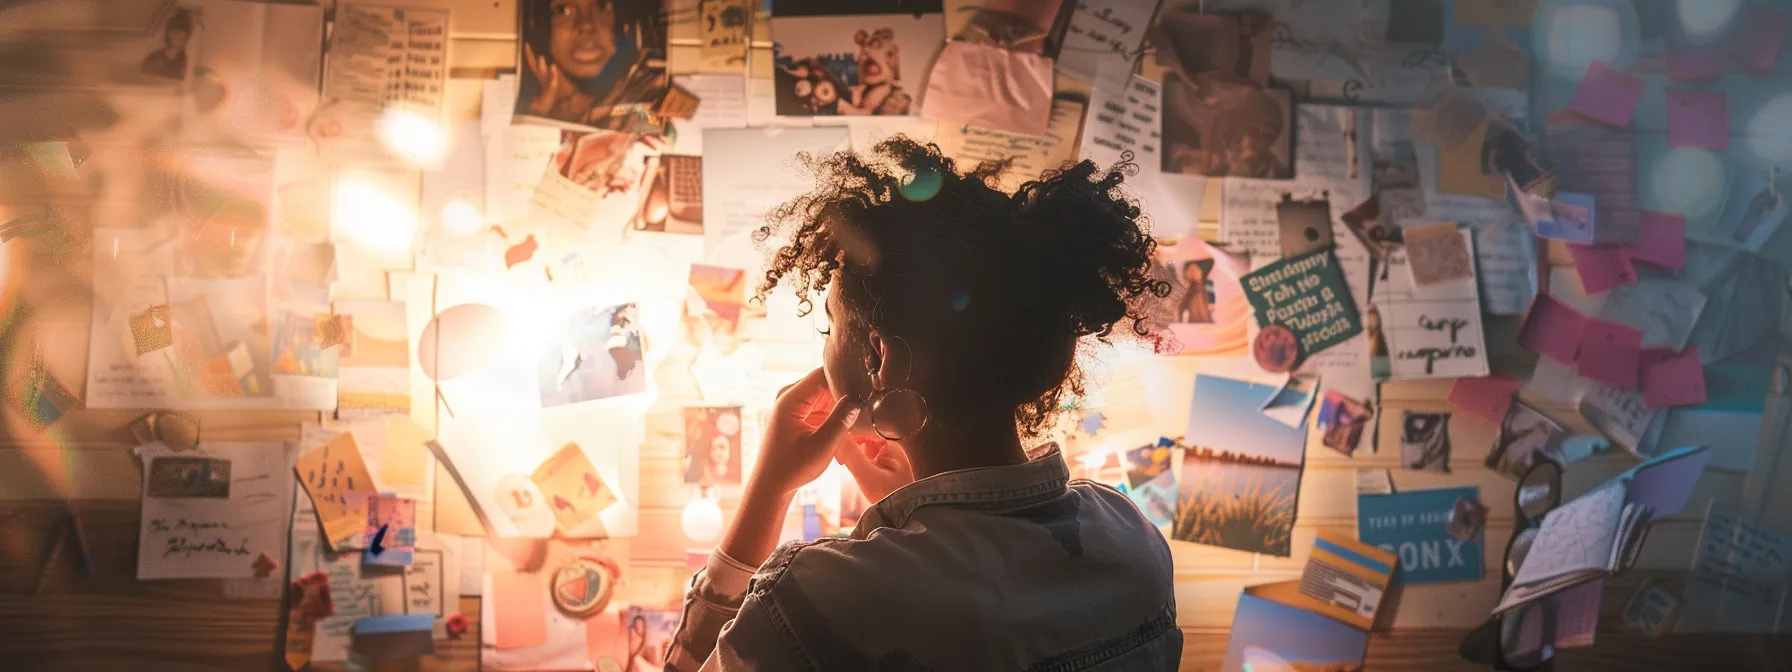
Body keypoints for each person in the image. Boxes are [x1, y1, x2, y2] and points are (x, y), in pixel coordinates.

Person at [666, 137, 1181, 670]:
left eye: (831, 322)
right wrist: (916, 509)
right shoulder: (1133, 540)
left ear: (878, 354)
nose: (825, 344)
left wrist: (768, 490)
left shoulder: (824, 598)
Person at [519, 0, 668, 129]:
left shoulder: (654, 87)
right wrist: (538, 116)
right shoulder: (530, 105)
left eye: (601, 6)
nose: (586, 24)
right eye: (563, 10)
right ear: (538, 27)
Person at [142, 10, 193, 80]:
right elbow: (143, 79)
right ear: (167, 34)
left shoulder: (188, 60)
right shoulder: (154, 57)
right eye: (174, 31)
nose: (177, 34)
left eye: (181, 31)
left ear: (186, 35)